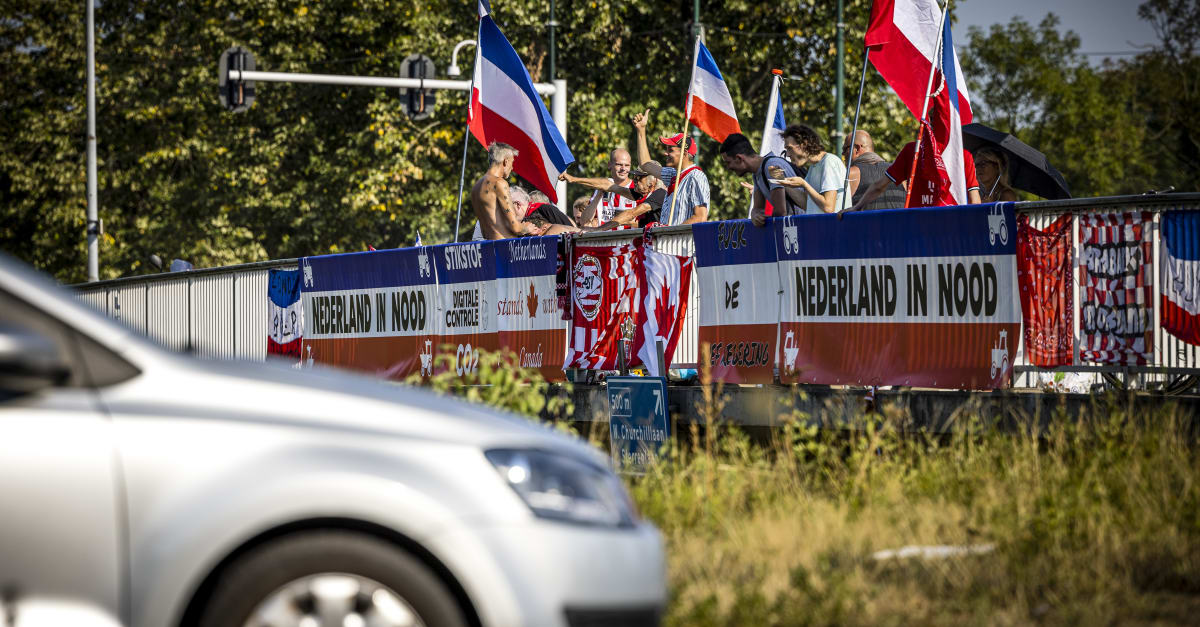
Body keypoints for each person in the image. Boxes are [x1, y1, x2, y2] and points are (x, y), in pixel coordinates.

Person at [848, 138, 982, 213]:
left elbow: (879, 186)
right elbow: (974, 201)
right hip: (952, 228)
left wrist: (857, 207)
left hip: (917, 227)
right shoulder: (963, 155)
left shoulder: (912, 150)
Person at [632, 109, 710, 226]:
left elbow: (700, 217)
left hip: (682, 243)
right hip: (668, 242)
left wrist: (671, 233)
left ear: (684, 153)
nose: (665, 153)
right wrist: (641, 130)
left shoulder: (696, 176)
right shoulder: (673, 174)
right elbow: (645, 164)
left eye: (670, 150)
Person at [718, 132, 800, 227]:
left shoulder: (772, 166)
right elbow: (757, 208)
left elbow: (780, 212)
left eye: (728, 162)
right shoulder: (756, 173)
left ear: (739, 158)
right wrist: (755, 215)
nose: (728, 168)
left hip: (801, 228)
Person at [768, 124, 852, 214]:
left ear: (804, 144)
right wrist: (782, 181)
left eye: (790, 148)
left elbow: (828, 208)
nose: (788, 154)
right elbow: (806, 204)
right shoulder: (813, 167)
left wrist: (804, 184)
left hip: (834, 227)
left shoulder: (829, 162)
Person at [470, 143, 542, 240]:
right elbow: (515, 227)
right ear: (505, 162)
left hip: (487, 245)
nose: (512, 168)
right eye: (512, 163)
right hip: (503, 246)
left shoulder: (476, 187)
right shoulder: (499, 183)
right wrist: (527, 227)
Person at [561, 163, 666, 229]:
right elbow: (607, 185)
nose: (635, 181)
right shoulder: (642, 194)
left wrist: (599, 230)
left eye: (639, 178)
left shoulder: (660, 194)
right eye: (634, 177)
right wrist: (574, 179)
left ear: (653, 181)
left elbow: (631, 213)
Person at [842, 130, 906, 210]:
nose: (843, 154)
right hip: (899, 221)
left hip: (866, 222)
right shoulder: (897, 171)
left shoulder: (851, 174)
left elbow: (838, 209)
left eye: (845, 149)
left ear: (857, 148)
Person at [581, 149, 638, 225]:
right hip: (606, 236)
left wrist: (620, 220)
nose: (623, 169)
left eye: (627, 165)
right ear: (609, 165)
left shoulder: (637, 188)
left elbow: (642, 224)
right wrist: (599, 194)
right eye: (619, 164)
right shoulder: (602, 185)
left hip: (629, 236)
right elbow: (585, 221)